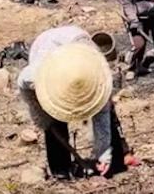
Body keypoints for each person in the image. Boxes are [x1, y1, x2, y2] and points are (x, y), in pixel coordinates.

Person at [17, 25, 134, 180]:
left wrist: (102, 156)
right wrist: (41, 117)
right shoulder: (39, 72)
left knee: (104, 107)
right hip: (46, 47)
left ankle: (116, 159)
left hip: (77, 43)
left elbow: (102, 118)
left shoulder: (99, 77)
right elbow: (22, 82)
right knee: (54, 118)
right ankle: (60, 170)